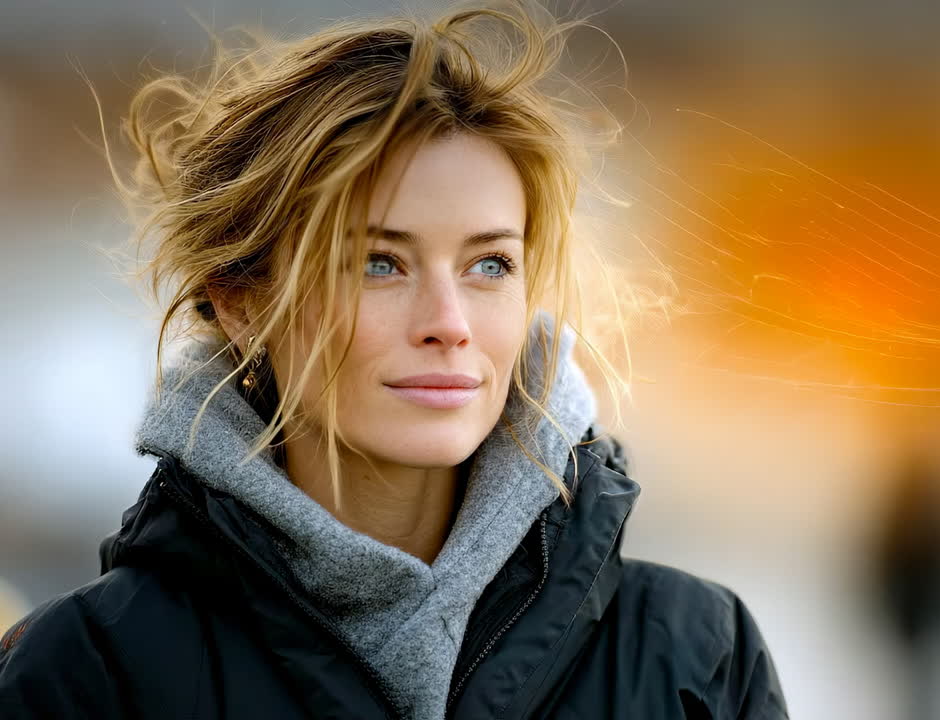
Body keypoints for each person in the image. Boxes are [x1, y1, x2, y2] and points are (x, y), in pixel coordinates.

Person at [0, 3, 789, 718]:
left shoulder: (697, 658)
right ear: (243, 302)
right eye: (380, 263)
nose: (449, 324)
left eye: (489, 265)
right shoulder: (84, 676)